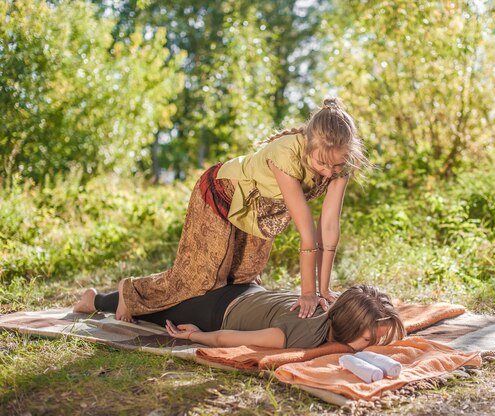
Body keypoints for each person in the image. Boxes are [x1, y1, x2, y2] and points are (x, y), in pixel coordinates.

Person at [114, 97, 368, 322]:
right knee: (201, 280)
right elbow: (308, 232)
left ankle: (170, 309)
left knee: (240, 281)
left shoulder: (341, 164)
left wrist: (324, 291)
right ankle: (130, 290)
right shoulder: (287, 153)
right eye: (322, 164)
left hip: (260, 213)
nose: (329, 172)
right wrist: (308, 293)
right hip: (219, 195)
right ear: (308, 144)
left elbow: (329, 226)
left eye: (336, 166)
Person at [73, 284, 406, 350]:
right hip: (216, 312)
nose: (373, 344)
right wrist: (193, 337)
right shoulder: (301, 335)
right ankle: (97, 298)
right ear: (346, 326)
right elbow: (228, 339)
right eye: (369, 338)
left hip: (245, 290)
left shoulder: (328, 305)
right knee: (160, 307)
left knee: (169, 295)